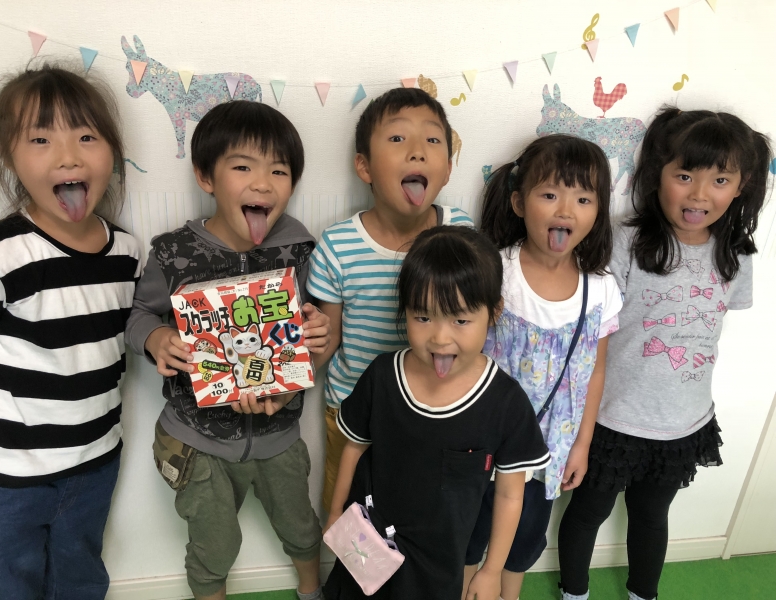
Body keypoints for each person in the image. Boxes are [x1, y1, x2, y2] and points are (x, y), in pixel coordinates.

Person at [557, 108, 772, 600]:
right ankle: (574, 592)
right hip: (611, 420)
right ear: (659, 175)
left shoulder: (736, 255)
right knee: (588, 512)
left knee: (652, 515)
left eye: (720, 180)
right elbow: (594, 332)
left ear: (740, 187)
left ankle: (643, 593)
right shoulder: (625, 241)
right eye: (685, 175)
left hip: (682, 424)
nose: (699, 194)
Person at [124, 100, 331, 600]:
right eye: (243, 167)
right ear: (206, 177)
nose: (263, 184)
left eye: (279, 171)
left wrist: (318, 335)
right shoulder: (174, 253)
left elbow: (311, 332)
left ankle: (312, 591)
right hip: (197, 439)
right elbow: (138, 315)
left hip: (279, 434)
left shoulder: (300, 250)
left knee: (302, 528)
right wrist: (154, 339)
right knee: (214, 547)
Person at [0, 65, 141, 599]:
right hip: (6, 472)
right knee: (4, 585)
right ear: (8, 157)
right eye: (41, 139)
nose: (68, 157)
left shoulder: (128, 253)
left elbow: (130, 334)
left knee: (79, 577)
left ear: (113, 151)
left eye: (87, 137)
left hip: (95, 460)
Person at [323, 226, 551, 600]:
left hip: (437, 567)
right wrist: (335, 513)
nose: (440, 338)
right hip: (365, 541)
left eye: (460, 320)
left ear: (493, 312)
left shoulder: (505, 402)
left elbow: (510, 495)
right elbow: (354, 447)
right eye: (423, 317)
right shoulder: (382, 377)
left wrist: (491, 570)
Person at [463, 135, 623, 600]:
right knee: (470, 537)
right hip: (482, 443)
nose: (566, 210)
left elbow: (595, 372)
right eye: (550, 194)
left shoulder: (601, 289)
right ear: (519, 202)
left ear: (599, 211)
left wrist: (583, 444)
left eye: (583, 199)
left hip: (549, 449)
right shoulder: (496, 272)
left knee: (523, 543)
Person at [306, 87, 472, 514]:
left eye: (432, 140)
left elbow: (474, 323)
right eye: (397, 138)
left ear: (448, 168)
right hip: (353, 412)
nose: (417, 151)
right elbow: (328, 339)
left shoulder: (461, 232)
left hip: (436, 409)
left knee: (418, 515)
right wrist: (285, 383)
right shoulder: (337, 246)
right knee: (347, 516)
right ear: (364, 166)